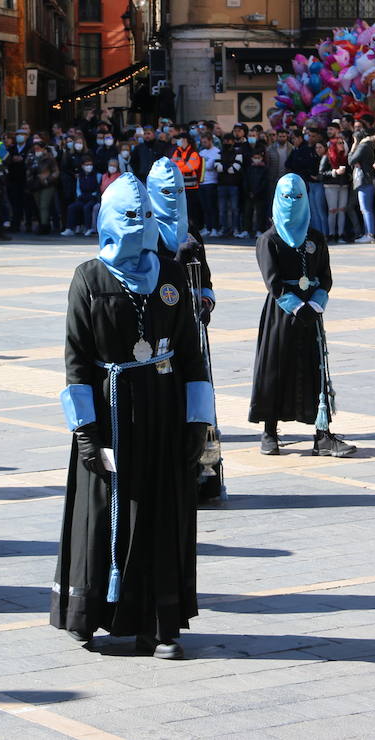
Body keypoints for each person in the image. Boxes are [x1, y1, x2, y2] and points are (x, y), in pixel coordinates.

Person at [53, 174, 213, 659]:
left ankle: (162, 624)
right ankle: (91, 614)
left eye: (143, 220)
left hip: (163, 411)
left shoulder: (168, 274)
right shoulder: (89, 277)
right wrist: (84, 429)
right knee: (103, 510)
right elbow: (76, 358)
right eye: (126, 220)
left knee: (163, 514)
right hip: (111, 409)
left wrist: (196, 421)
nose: (136, 230)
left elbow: (190, 352)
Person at [249, 174, 355, 458]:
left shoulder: (316, 237)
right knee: (275, 366)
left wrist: (317, 304)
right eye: (287, 197)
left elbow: (325, 276)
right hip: (282, 313)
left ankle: (322, 434)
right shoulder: (268, 239)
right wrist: (296, 306)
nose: (292, 203)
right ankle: (269, 430)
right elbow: (273, 281)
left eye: (298, 197)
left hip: (312, 312)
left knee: (315, 368)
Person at [146, 157, 222, 503]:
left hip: (193, 327)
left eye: (178, 190)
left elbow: (205, 276)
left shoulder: (191, 230)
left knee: (200, 395)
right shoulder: (146, 234)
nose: (173, 197)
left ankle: (205, 472)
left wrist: (206, 301)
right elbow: (150, 281)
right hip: (163, 329)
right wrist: (176, 261)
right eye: (166, 192)